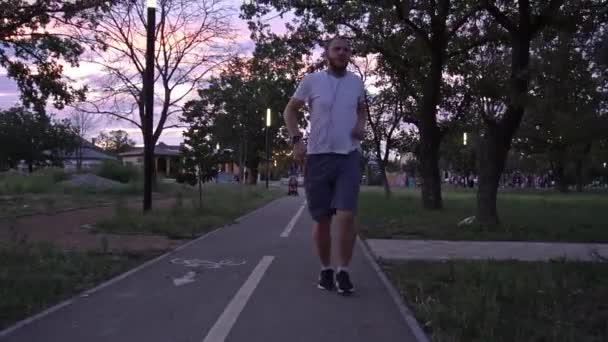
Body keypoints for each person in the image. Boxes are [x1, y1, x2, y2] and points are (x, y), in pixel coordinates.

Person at [283, 36, 366, 295]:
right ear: (327, 54)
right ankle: (326, 269)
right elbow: (290, 110)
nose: (342, 53)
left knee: (346, 215)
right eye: (337, 49)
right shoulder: (312, 81)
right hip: (318, 157)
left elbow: (362, 109)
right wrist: (297, 140)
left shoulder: (356, 82)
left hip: (349, 156)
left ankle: (344, 271)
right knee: (322, 220)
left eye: (346, 49)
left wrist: (360, 125)